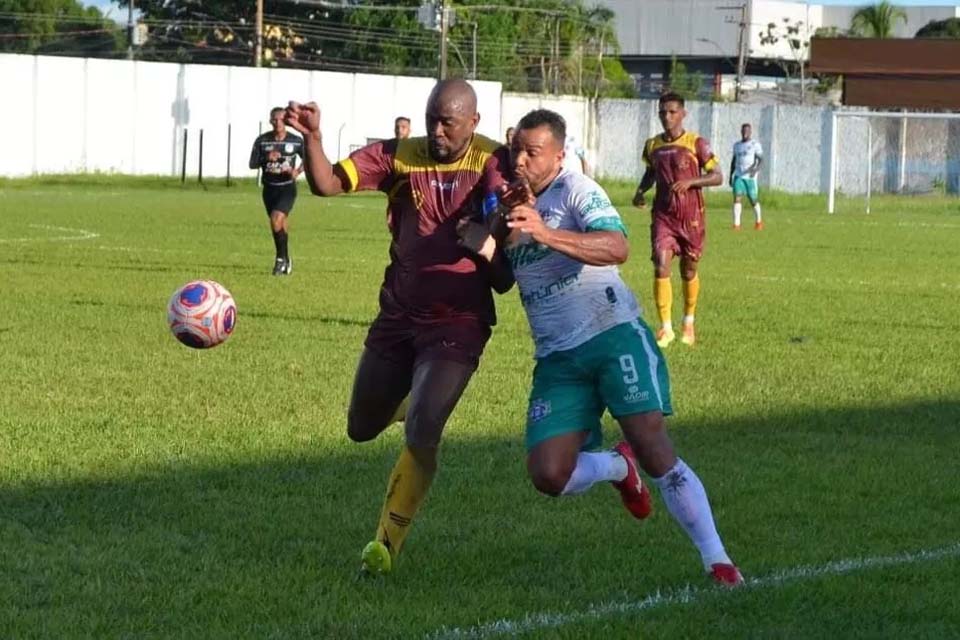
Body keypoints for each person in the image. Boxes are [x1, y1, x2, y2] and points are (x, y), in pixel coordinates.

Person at [459, 108, 743, 587]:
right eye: (516, 151)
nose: (522, 161)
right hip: (556, 357)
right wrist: (484, 244)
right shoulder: (507, 205)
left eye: (533, 152)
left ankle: (718, 561)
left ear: (559, 154)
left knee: (655, 448)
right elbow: (506, 280)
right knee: (549, 474)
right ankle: (616, 465)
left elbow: (616, 246)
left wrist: (545, 231)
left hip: (611, 334)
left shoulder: (576, 190)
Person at [284, 79, 515, 576]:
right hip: (397, 317)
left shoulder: (493, 163)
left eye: (448, 123)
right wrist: (314, 138)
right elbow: (326, 184)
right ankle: (420, 400)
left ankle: (385, 546)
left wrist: (488, 241)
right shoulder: (401, 155)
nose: (437, 131)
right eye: (432, 118)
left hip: (459, 321)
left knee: (423, 430)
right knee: (361, 428)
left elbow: (504, 268)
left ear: (473, 123)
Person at [632, 92, 722, 348]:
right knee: (661, 264)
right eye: (662, 112)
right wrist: (640, 191)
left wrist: (691, 181)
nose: (666, 117)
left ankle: (688, 322)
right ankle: (665, 328)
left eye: (672, 112)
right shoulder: (653, 145)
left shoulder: (697, 143)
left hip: (691, 217)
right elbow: (651, 172)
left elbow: (717, 176)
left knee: (689, 270)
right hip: (663, 215)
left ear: (683, 113)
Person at [249, 106, 303, 276]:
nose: (278, 123)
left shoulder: (296, 141)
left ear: (286, 121)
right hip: (269, 189)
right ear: (271, 121)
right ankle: (286, 259)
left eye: (281, 119)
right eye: (275, 119)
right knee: (279, 225)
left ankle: (279, 260)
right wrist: (266, 158)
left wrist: (297, 171)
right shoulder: (262, 141)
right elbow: (252, 163)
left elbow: (308, 159)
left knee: (276, 219)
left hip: (287, 188)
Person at [730, 123, 763, 231]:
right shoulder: (737, 145)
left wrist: (755, 170)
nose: (745, 133)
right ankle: (736, 225)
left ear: (750, 132)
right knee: (737, 198)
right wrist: (731, 175)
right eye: (743, 131)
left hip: (750, 177)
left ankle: (759, 222)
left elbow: (761, 160)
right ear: (741, 131)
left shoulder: (755, 144)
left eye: (747, 131)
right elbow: (734, 160)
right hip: (739, 175)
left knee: (753, 200)